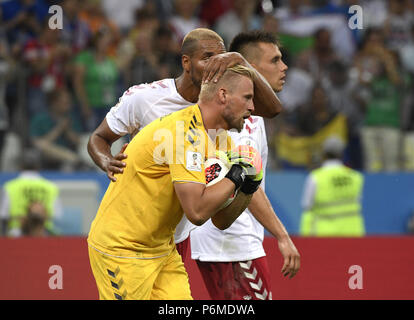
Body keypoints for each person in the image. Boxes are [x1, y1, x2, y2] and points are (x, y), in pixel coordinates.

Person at [87, 28, 283, 262]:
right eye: (207, 58)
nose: (215, 66)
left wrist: (240, 61)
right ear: (186, 62)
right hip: (132, 236)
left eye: (221, 58)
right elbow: (98, 138)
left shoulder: (222, 108)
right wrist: (107, 161)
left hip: (176, 235)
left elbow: (272, 110)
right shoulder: (146, 99)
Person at [87, 64, 263, 300]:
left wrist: (248, 186)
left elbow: (221, 219)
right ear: (223, 95)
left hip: (161, 250)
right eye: (248, 98)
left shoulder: (222, 141)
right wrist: (237, 175)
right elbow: (197, 212)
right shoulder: (182, 135)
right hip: (122, 249)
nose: (252, 107)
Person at [190, 31, 300, 300]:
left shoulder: (249, 111)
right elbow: (244, 181)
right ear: (250, 68)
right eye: (275, 60)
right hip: (232, 244)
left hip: (228, 242)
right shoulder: (240, 118)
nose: (283, 67)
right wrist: (282, 235)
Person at [300, 135, 365, 237]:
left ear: (324, 154)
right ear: (342, 154)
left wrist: (305, 237)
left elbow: (307, 207)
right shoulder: (355, 177)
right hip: (352, 234)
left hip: (325, 235)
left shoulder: (315, 177)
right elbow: (357, 201)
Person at [0, 149, 63, 237]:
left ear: (20, 165)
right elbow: (57, 216)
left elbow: (3, 216)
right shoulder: (51, 187)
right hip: (44, 235)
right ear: (38, 166)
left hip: (15, 236)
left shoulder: (10, 187)